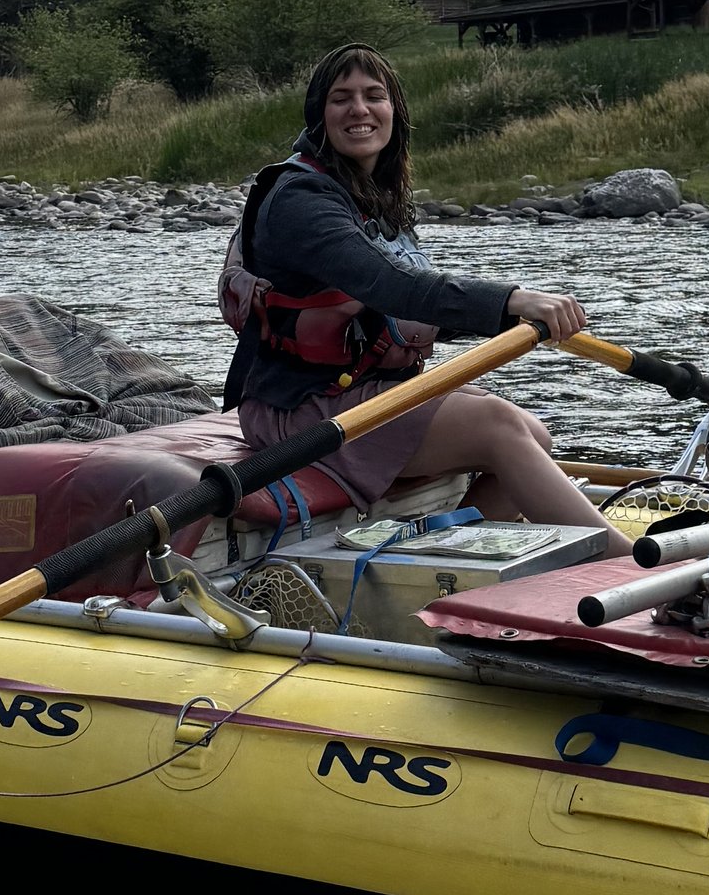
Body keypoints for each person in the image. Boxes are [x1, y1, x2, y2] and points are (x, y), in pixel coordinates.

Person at [220, 42, 616, 530]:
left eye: (374, 96)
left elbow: (406, 314)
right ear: (319, 115)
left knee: (534, 434)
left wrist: (510, 318)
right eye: (341, 98)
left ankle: (450, 554)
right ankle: (626, 565)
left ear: (395, 112)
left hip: (365, 392)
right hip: (299, 411)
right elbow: (390, 286)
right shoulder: (300, 199)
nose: (360, 109)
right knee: (498, 426)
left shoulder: (371, 197)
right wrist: (511, 299)